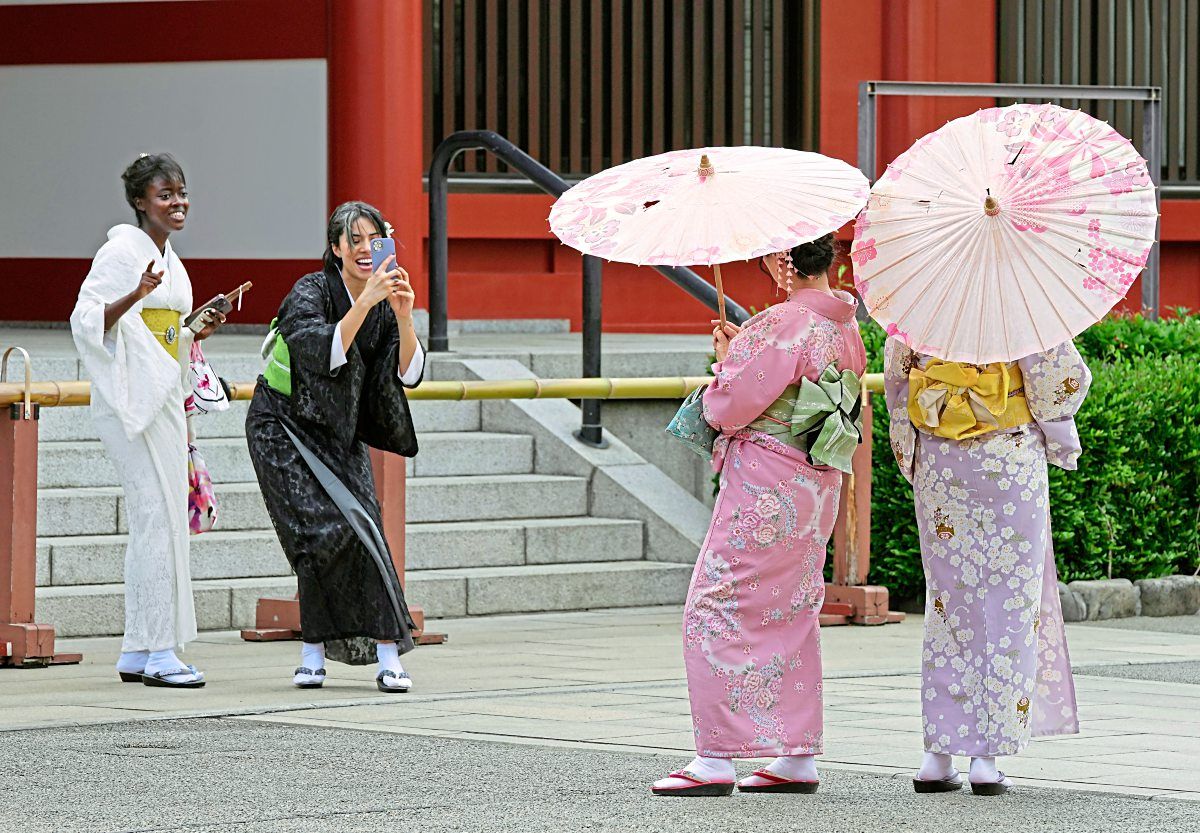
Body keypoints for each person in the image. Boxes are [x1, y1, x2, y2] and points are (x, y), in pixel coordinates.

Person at [653, 234, 867, 796]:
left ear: (783, 261)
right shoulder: (844, 325)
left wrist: (729, 362)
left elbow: (729, 406)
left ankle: (717, 756)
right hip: (817, 480)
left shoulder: (784, 323)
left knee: (715, 602)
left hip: (768, 482)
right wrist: (742, 348)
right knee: (792, 608)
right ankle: (796, 755)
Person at [884, 335, 1089, 795]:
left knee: (949, 603)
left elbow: (898, 386)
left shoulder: (921, 305)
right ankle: (985, 758)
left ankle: (936, 754)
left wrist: (912, 452)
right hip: (1008, 456)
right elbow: (1059, 382)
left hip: (941, 459)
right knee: (1009, 603)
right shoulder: (1019, 308)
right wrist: (1061, 442)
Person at [246, 201, 424, 692]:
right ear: (336, 248)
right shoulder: (311, 290)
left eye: (375, 239)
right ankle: (312, 651)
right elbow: (317, 351)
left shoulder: (387, 300)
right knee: (316, 535)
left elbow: (407, 372)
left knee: (363, 528)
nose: (367, 250)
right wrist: (364, 302)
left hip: (338, 430)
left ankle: (389, 652)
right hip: (282, 423)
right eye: (356, 241)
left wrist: (404, 317)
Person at [70, 153, 226, 688]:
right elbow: (86, 319)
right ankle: (162, 649)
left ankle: (138, 648)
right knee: (159, 518)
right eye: (165, 195)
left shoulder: (169, 257)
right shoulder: (121, 252)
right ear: (141, 202)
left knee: (154, 521)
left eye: (181, 192)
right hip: (131, 399)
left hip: (162, 391)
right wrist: (134, 294)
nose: (177, 202)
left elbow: (166, 331)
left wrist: (193, 330)